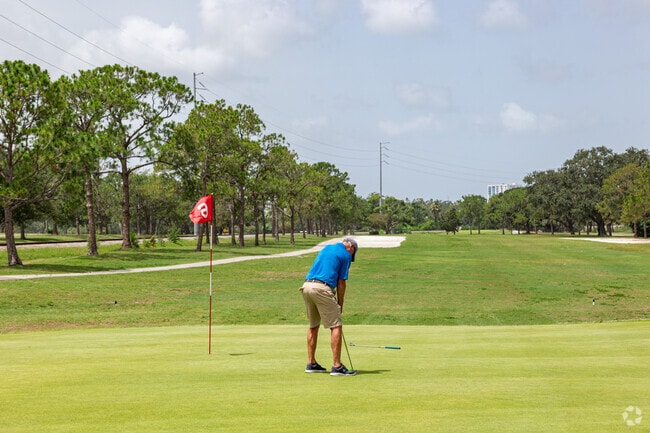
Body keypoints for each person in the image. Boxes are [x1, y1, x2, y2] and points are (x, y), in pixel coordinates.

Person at [300, 237, 358, 376]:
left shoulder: (327, 248)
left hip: (307, 286)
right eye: (352, 252)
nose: (351, 256)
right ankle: (337, 366)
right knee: (336, 325)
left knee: (313, 325)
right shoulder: (345, 255)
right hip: (322, 288)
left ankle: (311, 364)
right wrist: (340, 304)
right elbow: (341, 282)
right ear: (350, 246)